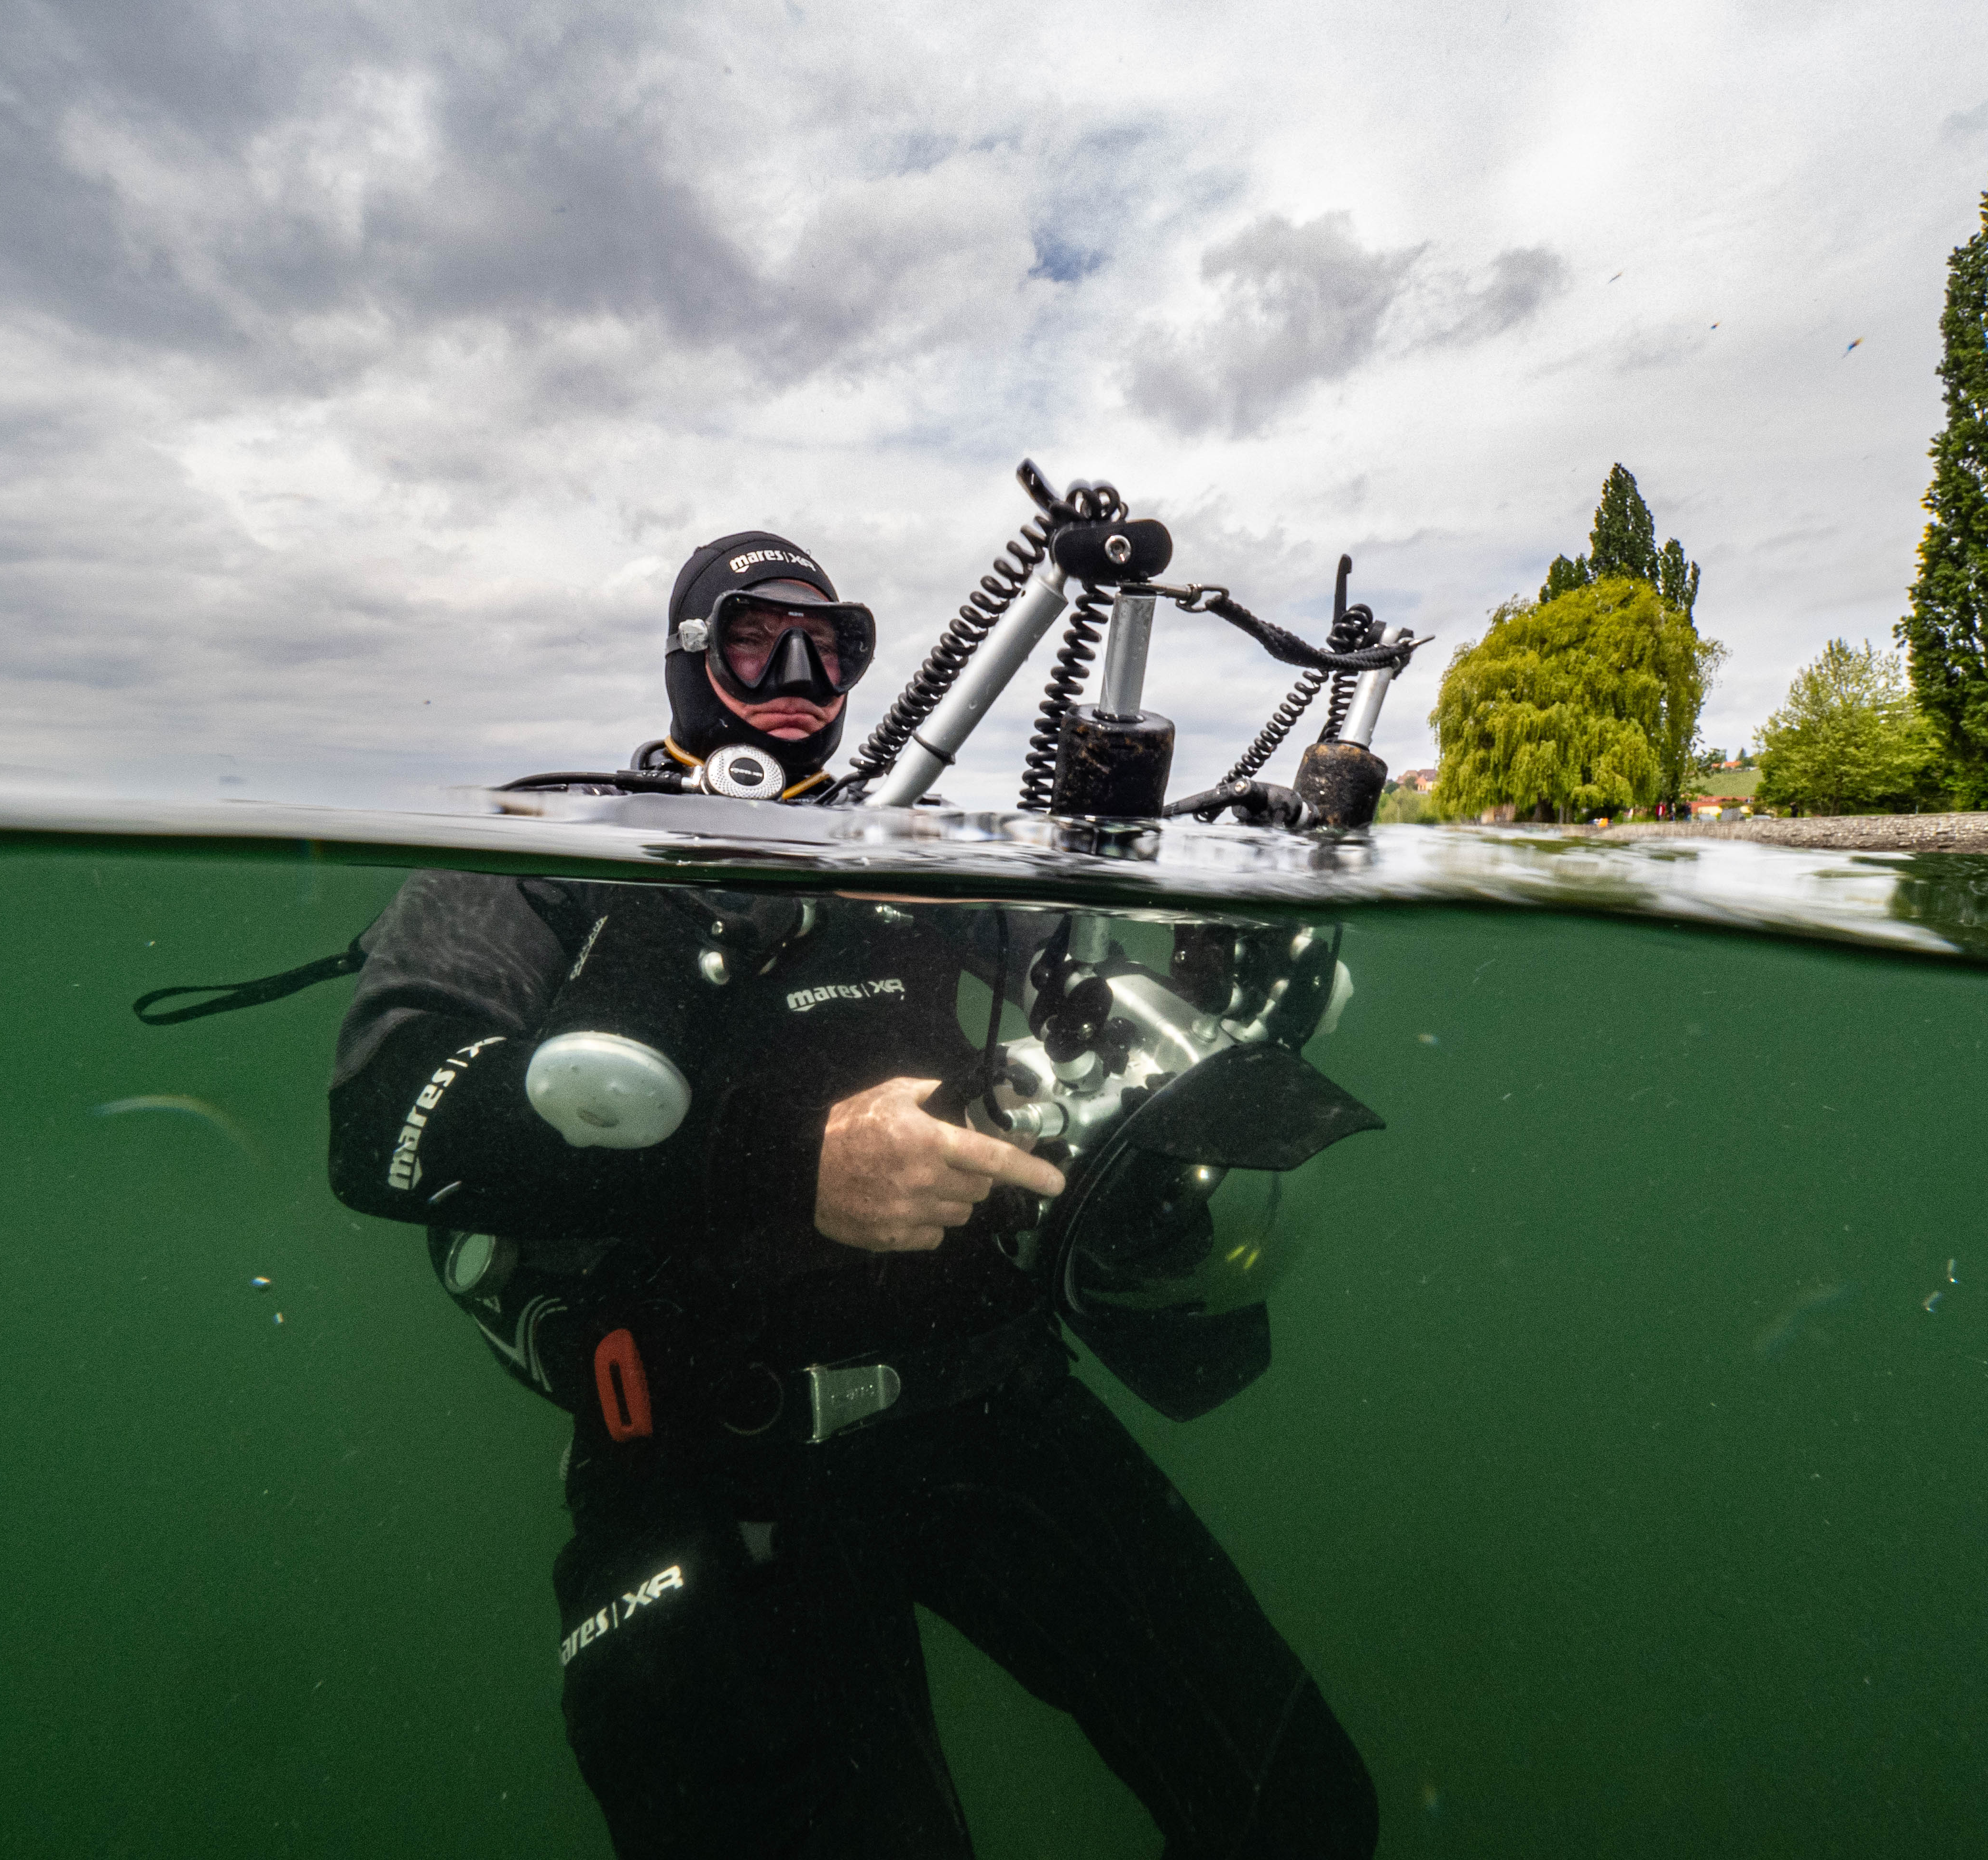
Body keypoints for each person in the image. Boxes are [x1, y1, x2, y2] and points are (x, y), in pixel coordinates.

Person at [327, 531, 1378, 1857]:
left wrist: (1230, 993)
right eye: (757, 641)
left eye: (830, 649)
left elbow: (1100, 1002)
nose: (798, 679)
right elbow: (383, 1120)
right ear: (688, 661)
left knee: (1302, 1812)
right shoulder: (554, 851)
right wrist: (785, 1160)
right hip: (714, 1463)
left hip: (990, 1392)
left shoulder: (918, 856)